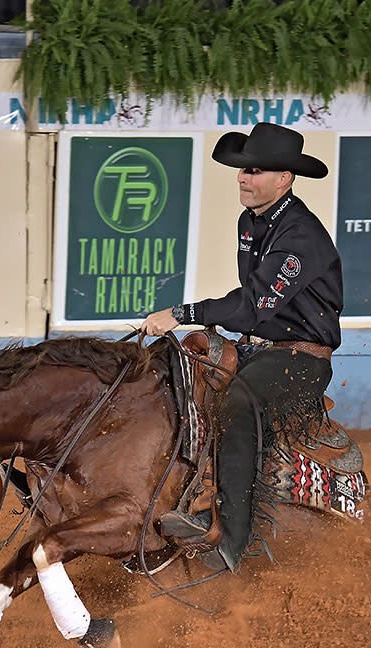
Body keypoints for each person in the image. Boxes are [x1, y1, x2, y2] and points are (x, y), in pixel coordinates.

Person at [140, 122, 343, 572]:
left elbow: (253, 305)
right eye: (241, 170)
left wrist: (182, 313)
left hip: (301, 358)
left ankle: (230, 538)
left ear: (284, 179)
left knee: (238, 401)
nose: (242, 178)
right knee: (178, 380)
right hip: (261, 348)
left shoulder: (300, 236)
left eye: (253, 170)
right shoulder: (251, 222)